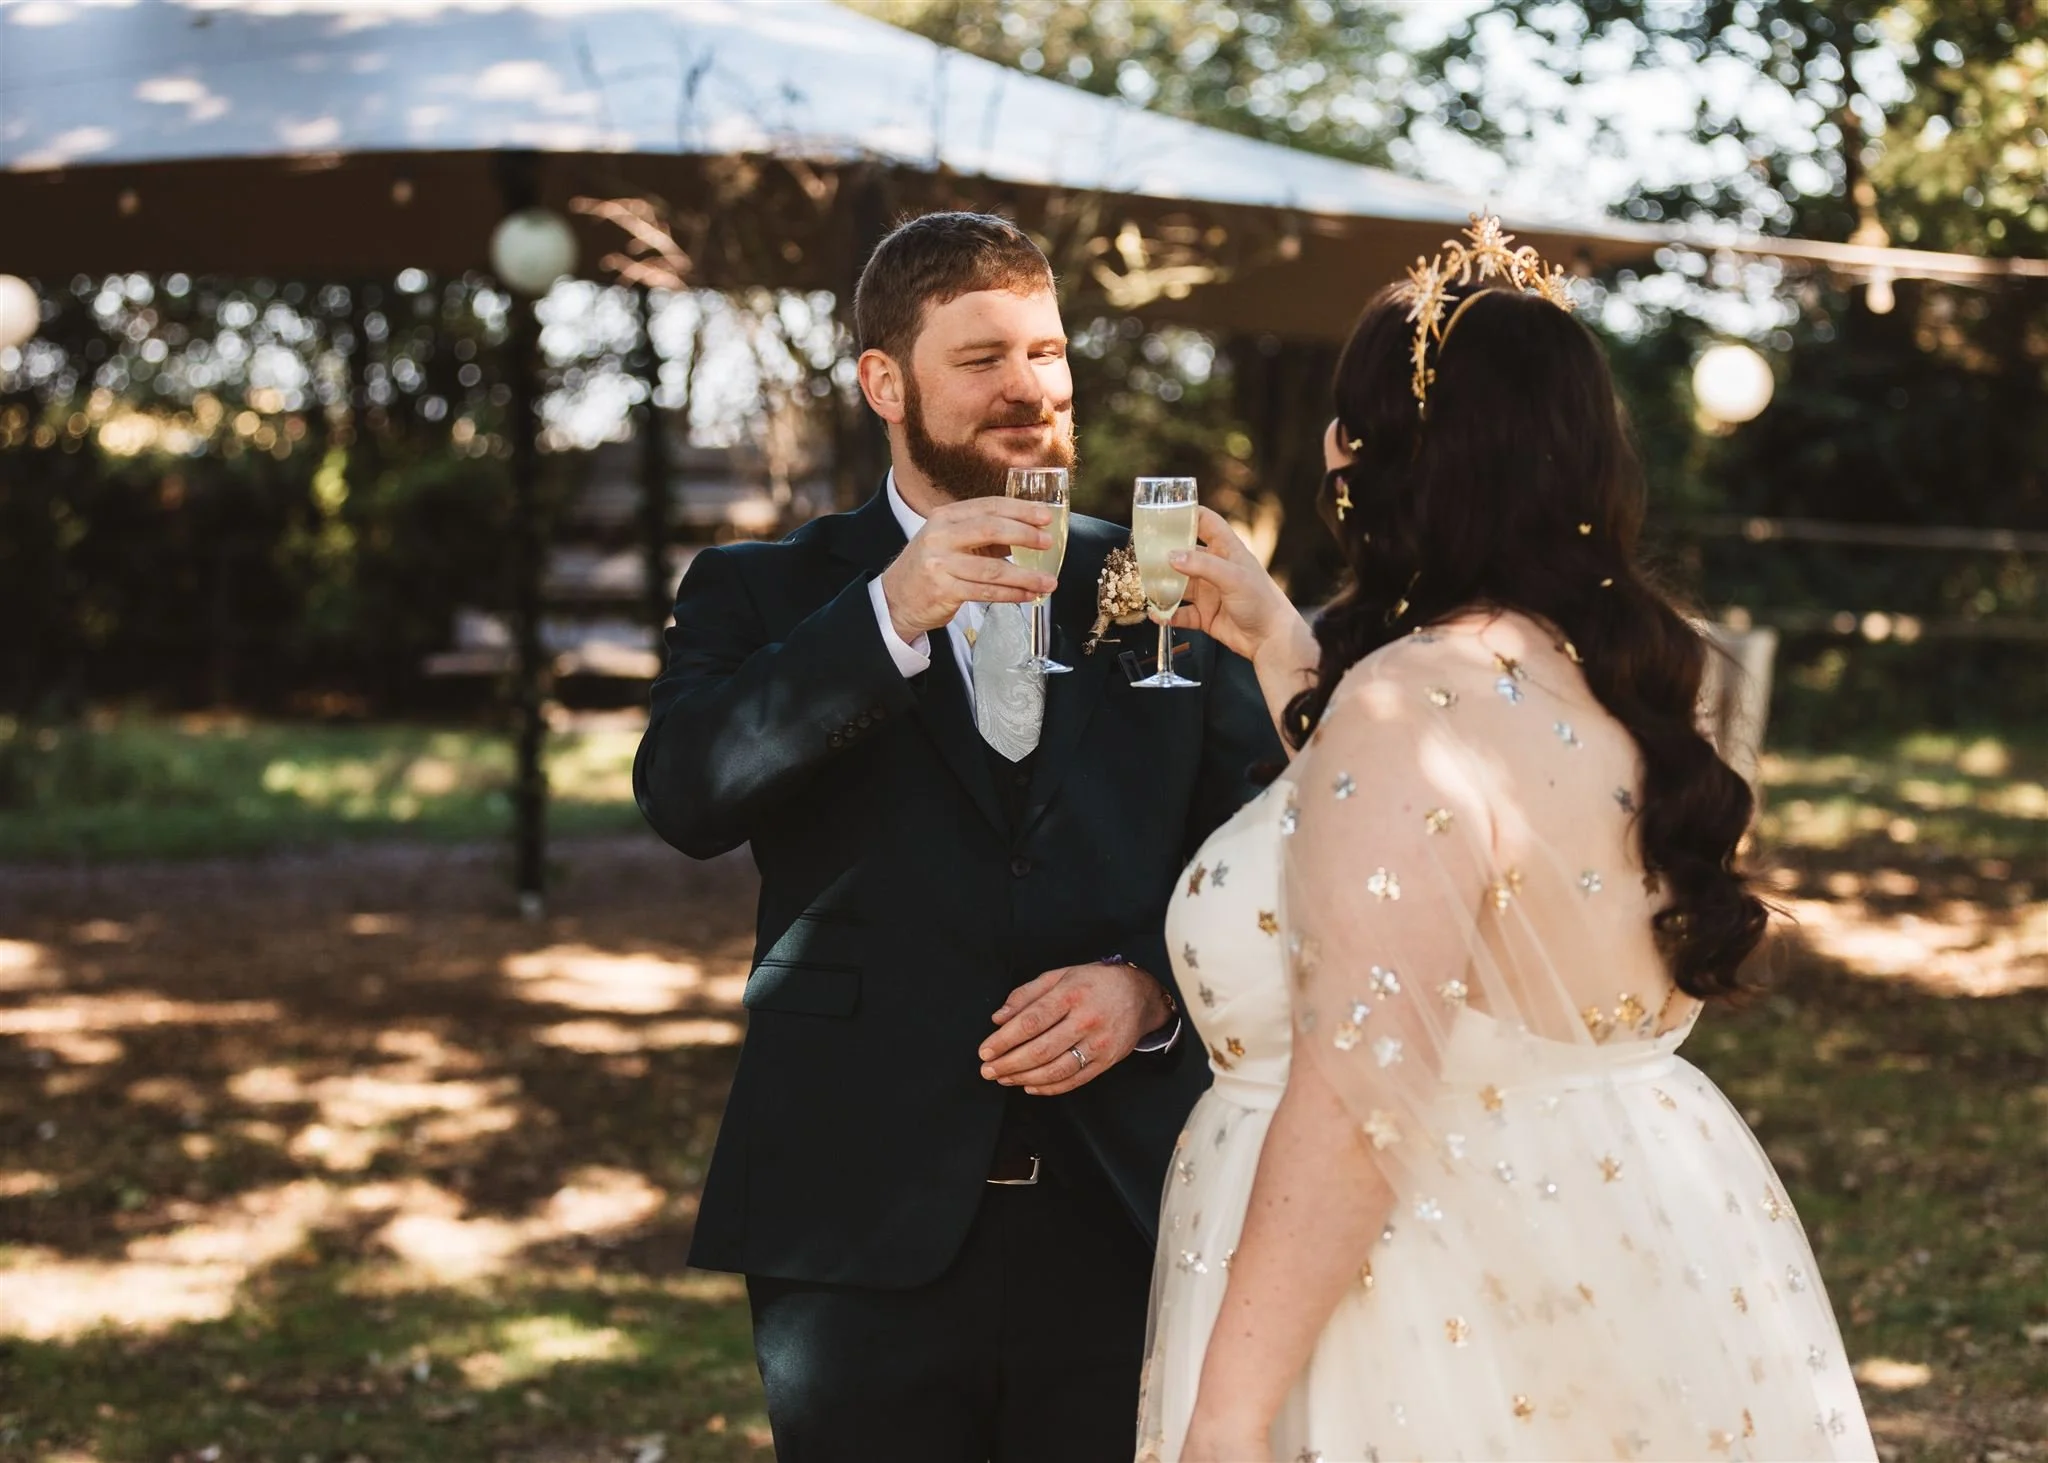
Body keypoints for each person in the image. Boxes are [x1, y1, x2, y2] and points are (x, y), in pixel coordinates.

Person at [1135, 218, 1878, 1462]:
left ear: (1390, 465)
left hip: (1408, 1304)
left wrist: (1224, 1414)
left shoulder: (1401, 704)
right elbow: (1431, 848)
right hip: (1613, 1257)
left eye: (1345, 430)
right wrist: (1280, 649)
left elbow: (1357, 1098)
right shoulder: (1619, 684)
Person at [633, 210, 1281, 1462]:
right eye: (982, 358)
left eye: (1047, 354)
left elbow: (1261, 844)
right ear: (885, 381)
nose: (1027, 389)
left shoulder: (1155, 576)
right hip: (854, 1215)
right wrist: (888, 612)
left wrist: (1150, 985)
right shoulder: (766, 590)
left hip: (1126, 1198)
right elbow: (684, 796)